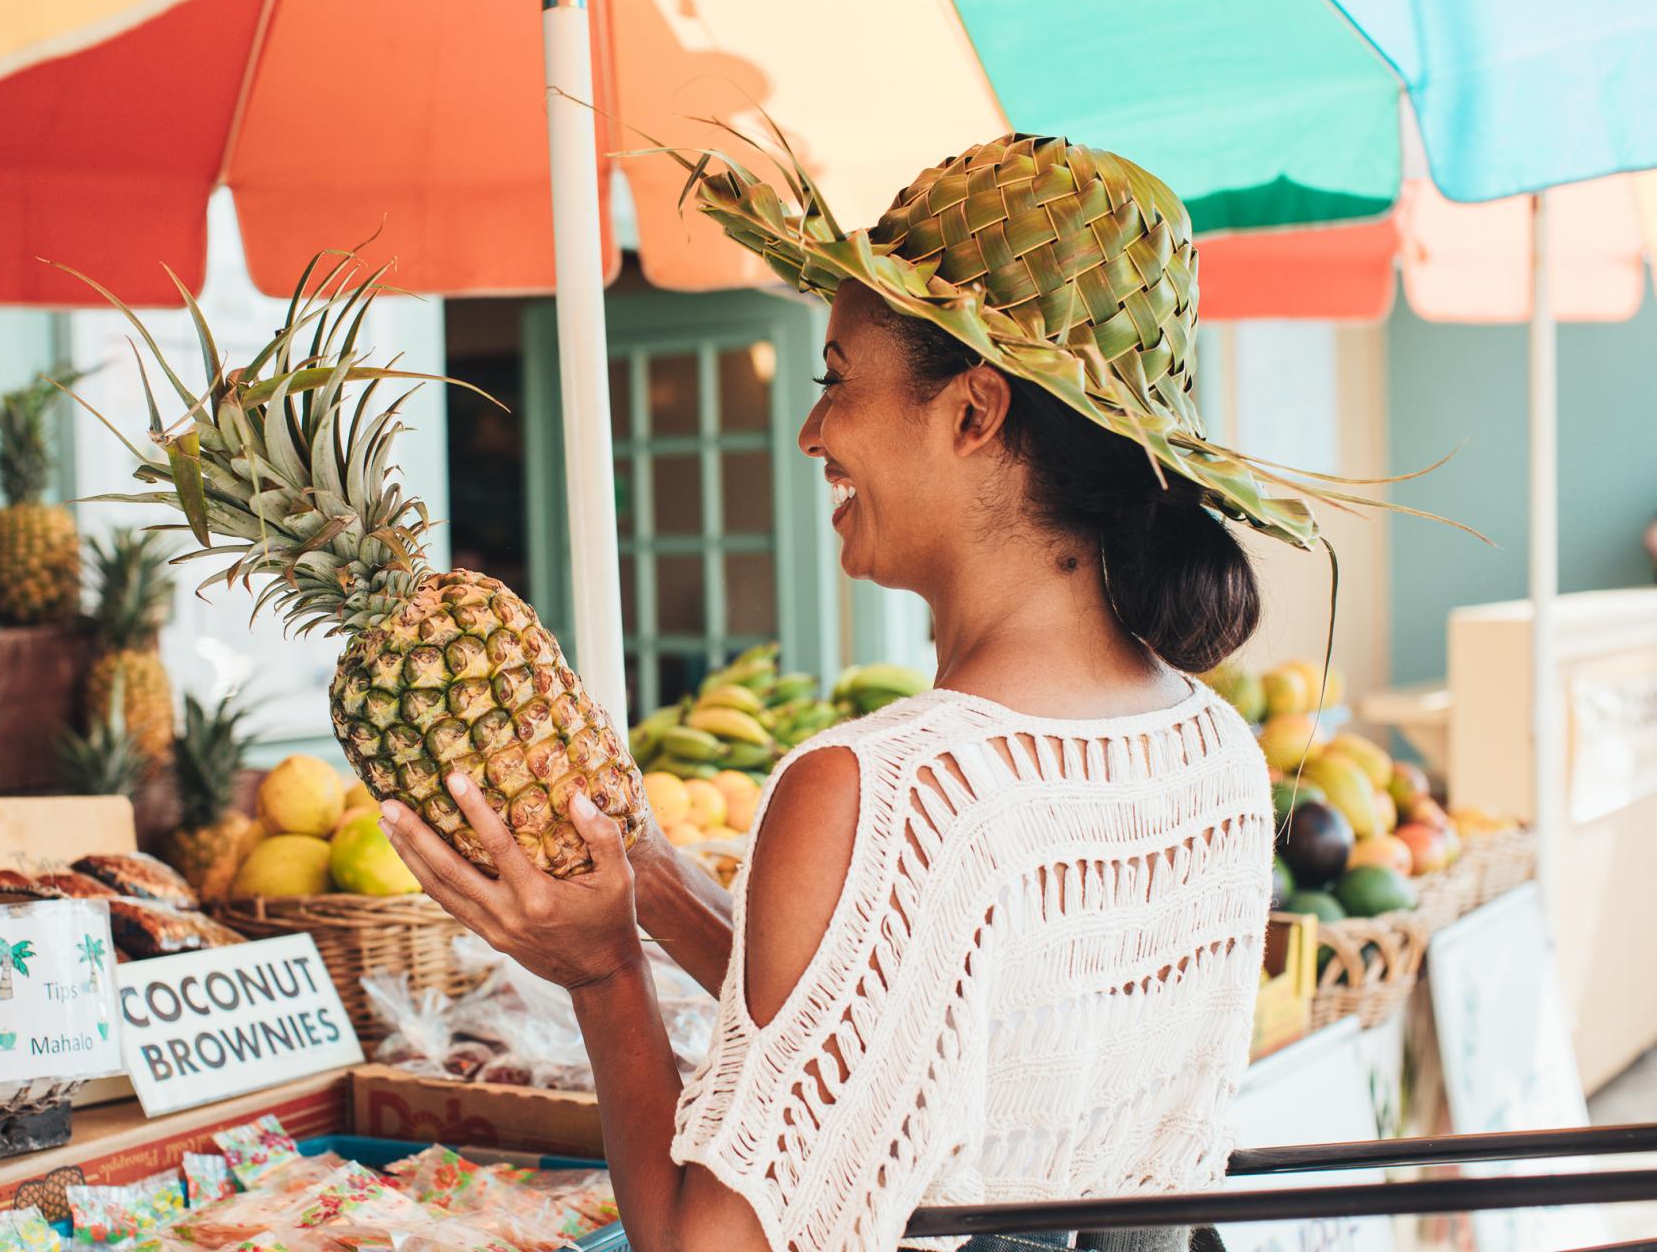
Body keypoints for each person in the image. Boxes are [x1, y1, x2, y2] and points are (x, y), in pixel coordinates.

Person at [378, 134, 1351, 1251]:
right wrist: (650, 878)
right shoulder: (1218, 752)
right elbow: (925, 1043)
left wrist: (602, 974)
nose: (811, 431)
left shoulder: (877, 788)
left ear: (975, 412)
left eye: (835, 378)